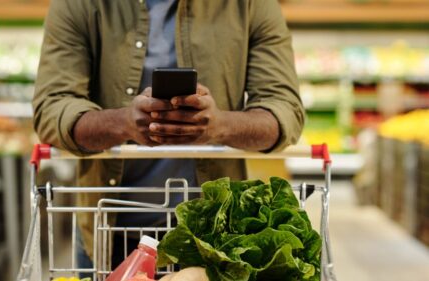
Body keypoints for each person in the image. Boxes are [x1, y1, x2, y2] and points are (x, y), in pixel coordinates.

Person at [33, 0, 305, 278]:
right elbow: (51, 108)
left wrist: (218, 126)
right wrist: (125, 123)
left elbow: (284, 111)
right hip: (107, 232)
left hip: (217, 240)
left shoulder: (249, 5)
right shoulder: (79, 4)